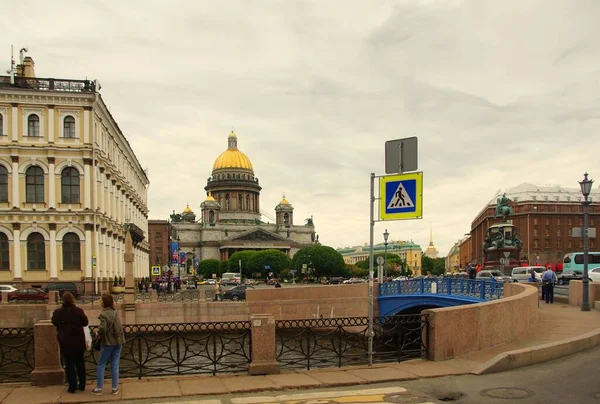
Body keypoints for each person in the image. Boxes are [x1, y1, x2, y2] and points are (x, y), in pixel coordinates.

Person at [51, 292, 89, 394]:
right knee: (80, 363)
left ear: (63, 300)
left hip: (65, 341)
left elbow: (54, 322)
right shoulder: (78, 311)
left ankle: (72, 386)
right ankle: (82, 385)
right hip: (78, 340)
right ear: (73, 300)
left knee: (69, 363)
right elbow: (85, 322)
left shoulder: (58, 312)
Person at [91, 294, 126, 396]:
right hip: (118, 342)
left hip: (108, 343)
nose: (100, 302)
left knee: (101, 365)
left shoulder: (103, 314)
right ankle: (115, 389)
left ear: (104, 302)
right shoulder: (115, 312)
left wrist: (97, 333)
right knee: (115, 365)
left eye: (101, 300)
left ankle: (99, 389)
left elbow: (103, 329)